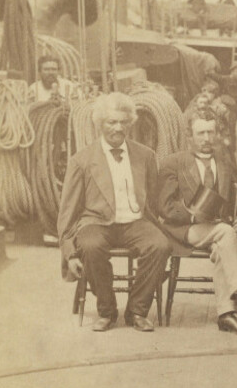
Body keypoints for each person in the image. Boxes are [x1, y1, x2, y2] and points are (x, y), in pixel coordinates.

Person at [57, 92, 171, 332]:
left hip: (135, 222)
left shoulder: (146, 156)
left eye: (122, 122)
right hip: (97, 223)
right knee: (90, 245)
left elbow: (153, 199)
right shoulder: (82, 160)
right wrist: (69, 252)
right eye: (111, 122)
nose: (118, 127)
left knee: (160, 245)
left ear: (130, 123)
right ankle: (107, 311)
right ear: (100, 123)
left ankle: (138, 310)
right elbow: (67, 211)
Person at [157, 109, 237, 337]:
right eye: (200, 133)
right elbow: (165, 207)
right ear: (189, 135)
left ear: (217, 133)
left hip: (218, 231)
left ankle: (225, 315)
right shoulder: (173, 163)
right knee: (224, 233)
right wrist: (194, 215)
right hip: (183, 229)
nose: (206, 139)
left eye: (210, 132)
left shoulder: (224, 163)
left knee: (225, 239)